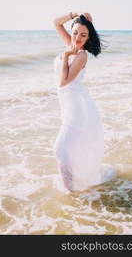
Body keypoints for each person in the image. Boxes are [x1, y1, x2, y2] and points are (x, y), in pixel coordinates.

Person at [52, 12, 116, 193]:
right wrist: (74, 14)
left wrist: (65, 55)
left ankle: (70, 192)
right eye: (75, 33)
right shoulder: (71, 45)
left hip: (77, 106)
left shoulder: (81, 55)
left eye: (83, 35)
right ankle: (71, 190)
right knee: (67, 150)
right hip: (67, 103)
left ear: (89, 38)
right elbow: (56, 23)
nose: (78, 38)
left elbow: (64, 81)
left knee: (60, 149)